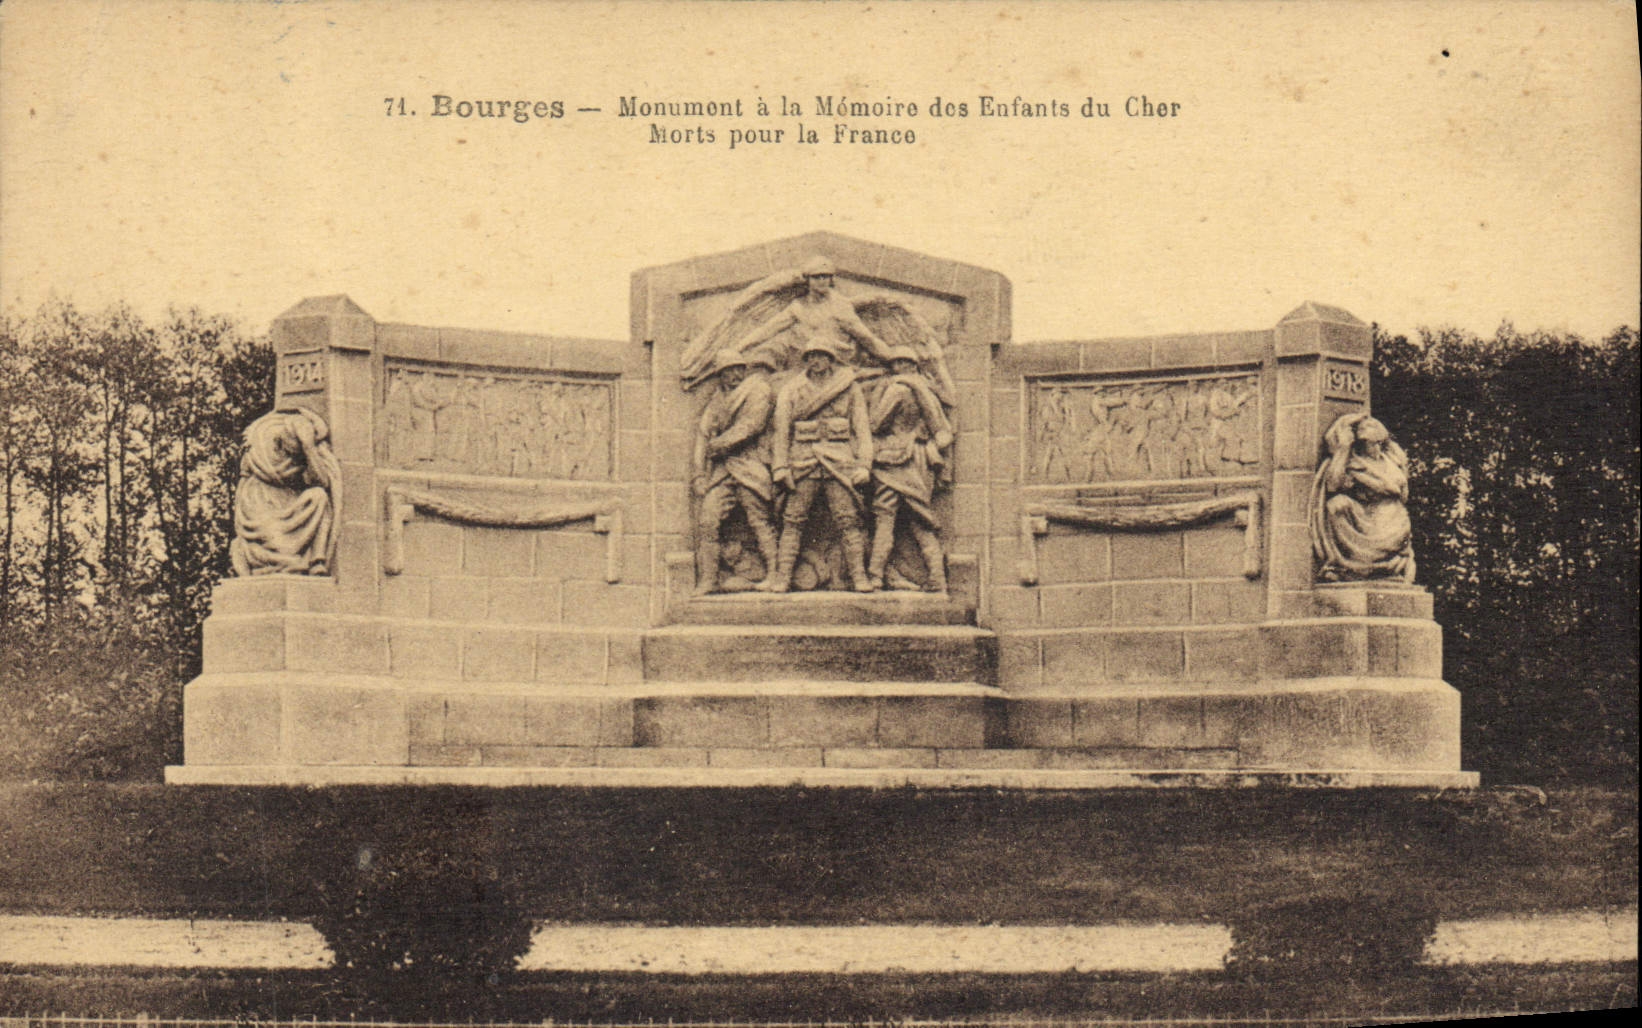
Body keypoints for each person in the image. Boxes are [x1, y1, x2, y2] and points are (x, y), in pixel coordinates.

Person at [762, 342, 874, 592]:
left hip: (839, 461)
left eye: (822, 356)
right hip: (803, 461)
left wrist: (864, 464)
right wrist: (780, 467)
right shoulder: (792, 389)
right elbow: (781, 431)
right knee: (792, 520)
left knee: (848, 520)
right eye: (812, 356)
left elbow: (862, 428)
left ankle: (859, 576)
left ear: (831, 359)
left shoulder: (849, 388)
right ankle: (783, 578)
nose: (817, 361)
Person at [691, 351, 779, 594]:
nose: (734, 375)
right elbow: (702, 436)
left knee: (759, 521)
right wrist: (699, 474)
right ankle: (708, 579)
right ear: (720, 375)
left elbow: (751, 425)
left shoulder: (758, 390)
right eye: (728, 371)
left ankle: (775, 574)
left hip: (750, 466)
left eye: (738, 369)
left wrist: (719, 444)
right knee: (708, 521)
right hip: (722, 472)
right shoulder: (717, 401)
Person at [867, 347, 954, 591]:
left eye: (896, 364)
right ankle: (937, 578)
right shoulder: (927, 390)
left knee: (884, 519)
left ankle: (875, 576)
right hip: (920, 460)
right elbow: (941, 428)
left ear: (899, 365)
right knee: (921, 521)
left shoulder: (897, 389)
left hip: (893, 459)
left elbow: (876, 423)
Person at [730, 256, 899, 368]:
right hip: (808, 361)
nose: (822, 281)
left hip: (836, 362)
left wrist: (893, 359)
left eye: (826, 276)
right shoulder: (798, 306)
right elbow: (767, 329)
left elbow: (867, 338)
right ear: (808, 280)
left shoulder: (840, 306)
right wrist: (739, 348)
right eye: (817, 277)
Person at [229, 407, 341, 576]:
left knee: (319, 496)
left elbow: (322, 481)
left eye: (296, 453)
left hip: (290, 502)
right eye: (288, 450)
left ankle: (316, 560)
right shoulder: (258, 452)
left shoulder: (304, 455)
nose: (291, 457)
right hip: (262, 506)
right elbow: (242, 493)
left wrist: (309, 449)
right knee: (275, 546)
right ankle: (277, 561)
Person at [1310, 412, 1416, 582]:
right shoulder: (1353, 461)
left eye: (1372, 425)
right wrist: (1344, 448)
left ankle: (1375, 568)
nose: (1367, 428)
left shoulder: (1392, 459)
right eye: (1362, 427)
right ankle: (1346, 566)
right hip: (1364, 515)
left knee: (1397, 520)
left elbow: (1403, 493)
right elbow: (1332, 485)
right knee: (1336, 505)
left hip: (1392, 516)